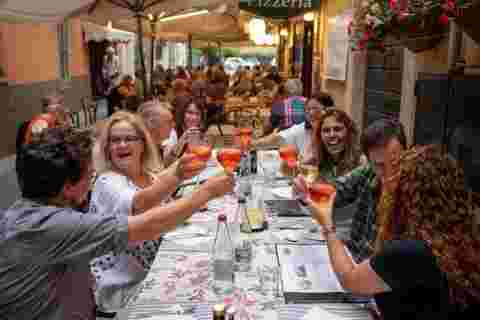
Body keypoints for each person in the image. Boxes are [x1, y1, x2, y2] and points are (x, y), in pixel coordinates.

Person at [0, 127, 234, 319]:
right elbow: (143, 226)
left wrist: (178, 175)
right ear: (68, 187)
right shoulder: (52, 225)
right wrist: (205, 193)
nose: (91, 183)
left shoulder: (25, 212)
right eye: (88, 176)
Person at [307, 144, 480, 319]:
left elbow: (350, 280)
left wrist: (327, 225)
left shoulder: (408, 251)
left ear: (407, 196)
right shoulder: (462, 238)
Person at [90, 111, 215, 315]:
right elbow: (141, 203)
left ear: (143, 144)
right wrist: (191, 184)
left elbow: (166, 207)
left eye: (129, 138)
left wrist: (185, 192)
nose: (122, 145)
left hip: (156, 271)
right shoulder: (107, 181)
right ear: (107, 147)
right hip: (124, 287)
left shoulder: (148, 176)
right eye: (115, 140)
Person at [294, 118, 408, 262]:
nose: (389, 172)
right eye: (379, 165)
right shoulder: (367, 172)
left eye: (395, 162)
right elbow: (334, 191)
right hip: (354, 260)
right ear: (369, 161)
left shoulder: (415, 188)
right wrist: (306, 191)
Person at [253, 92, 334, 159]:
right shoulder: (303, 128)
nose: (311, 113)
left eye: (316, 109)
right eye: (308, 109)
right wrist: (251, 144)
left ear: (328, 110)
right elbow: (278, 139)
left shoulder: (335, 131)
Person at [311, 109, 365, 181]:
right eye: (326, 130)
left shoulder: (361, 163)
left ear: (349, 133)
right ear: (319, 136)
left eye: (337, 129)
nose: (332, 135)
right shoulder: (315, 163)